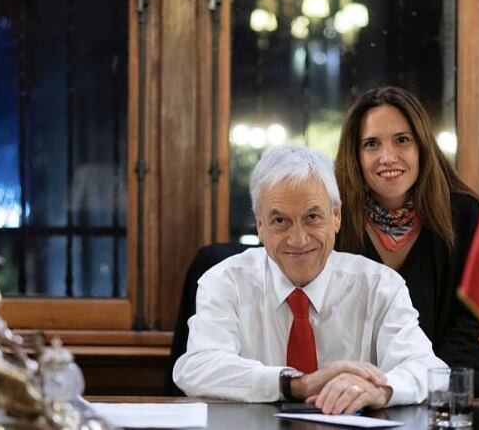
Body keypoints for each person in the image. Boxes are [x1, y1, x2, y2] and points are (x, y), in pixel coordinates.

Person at [173, 145, 446, 414]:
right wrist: (296, 384)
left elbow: (428, 369)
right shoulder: (224, 281)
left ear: (336, 217)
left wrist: (380, 389)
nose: (298, 239)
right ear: (259, 225)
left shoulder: (380, 286)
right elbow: (198, 368)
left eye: (313, 217)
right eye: (280, 221)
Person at [334, 86, 479, 396]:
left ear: (422, 147)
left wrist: (420, 378)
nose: (387, 156)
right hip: (362, 376)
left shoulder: (463, 212)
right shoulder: (335, 218)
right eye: (371, 144)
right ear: (355, 155)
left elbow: (468, 320)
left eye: (402, 140)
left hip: (446, 369)